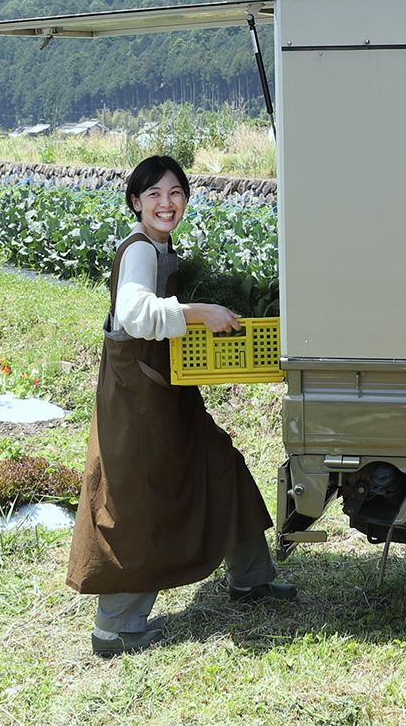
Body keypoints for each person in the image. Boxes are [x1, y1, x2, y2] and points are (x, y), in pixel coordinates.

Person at [66, 155, 294, 657]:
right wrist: (200, 311)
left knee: (219, 463)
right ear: (135, 203)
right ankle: (116, 628)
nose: (166, 204)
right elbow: (134, 312)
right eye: (154, 195)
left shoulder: (162, 246)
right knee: (138, 501)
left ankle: (251, 578)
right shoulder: (140, 250)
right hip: (137, 397)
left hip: (165, 386)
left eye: (175, 193)